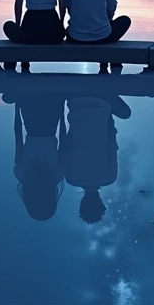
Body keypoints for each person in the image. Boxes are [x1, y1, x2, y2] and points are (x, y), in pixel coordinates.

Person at [62, 93, 131, 224]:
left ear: (100, 202)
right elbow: (67, 143)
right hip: (75, 103)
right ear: (82, 203)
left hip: (102, 102)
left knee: (126, 114)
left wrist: (106, 112)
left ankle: (104, 81)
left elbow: (111, 141)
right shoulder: (70, 178)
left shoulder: (110, 177)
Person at [4, 90, 66, 221]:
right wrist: (17, 107)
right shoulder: (21, 174)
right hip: (30, 119)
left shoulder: (58, 175)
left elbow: (63, 139)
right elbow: (18, 137)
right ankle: (23, 71)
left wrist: (61, 107)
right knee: (15, 94)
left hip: (51, 118)